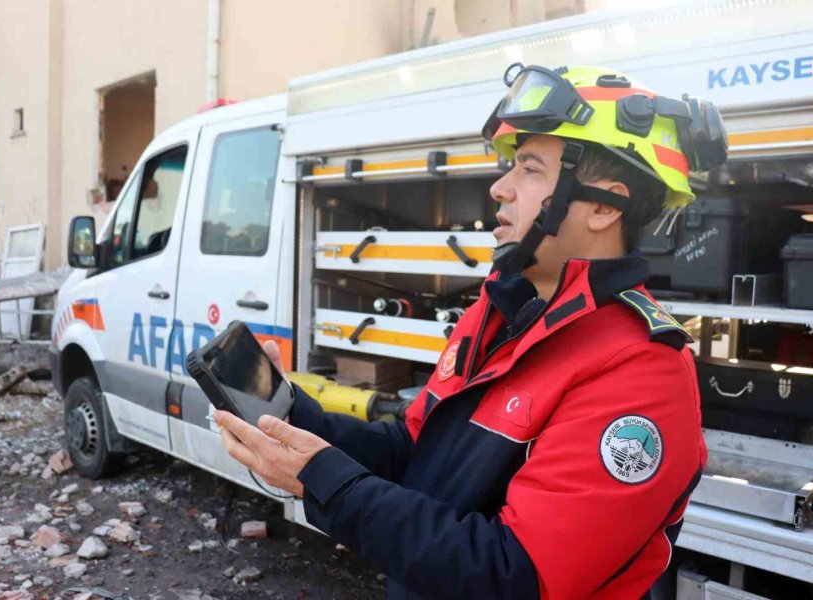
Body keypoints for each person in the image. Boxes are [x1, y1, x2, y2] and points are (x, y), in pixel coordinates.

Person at [215, 65, 728, 599]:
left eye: (529, 170)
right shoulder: (500, 310)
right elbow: (417, 450)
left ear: (602, 204)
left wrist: (320, 480)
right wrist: (291, 416)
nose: (499, 188)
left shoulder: (641, 369)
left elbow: (514, 575)